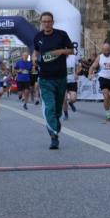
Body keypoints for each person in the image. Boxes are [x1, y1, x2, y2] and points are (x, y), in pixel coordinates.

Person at [32, 11, 75, 149]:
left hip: (60, 77)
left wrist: (60, 51)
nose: (46, 24)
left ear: (53, 22)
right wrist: (34, 57)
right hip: (45, 78)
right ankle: (54, 136)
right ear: (41, 22)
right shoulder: (38, 37)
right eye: (44, 21)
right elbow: (37, 51)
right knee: (49, 107)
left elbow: (71, 51)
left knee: (57, 110)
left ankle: (55, 123)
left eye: (49, 21)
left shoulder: (61, 35)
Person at [88, 40, 110, 122]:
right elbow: (92, 67)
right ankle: (107, 114)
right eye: (104, 50)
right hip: (103, 78)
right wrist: (90, 74)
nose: (106, 52)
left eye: (108, 50)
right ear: (102, 49)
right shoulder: (100, 57)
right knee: (106, 96)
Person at [63, 52, 79, 120]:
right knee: (64, 99)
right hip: (62, 81)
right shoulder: (59, 58)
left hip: (72, 81)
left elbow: (78, 66)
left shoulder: (73, 57)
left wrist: (76, 73)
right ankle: (66, 114)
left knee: (73, 99)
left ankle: (70, 103)